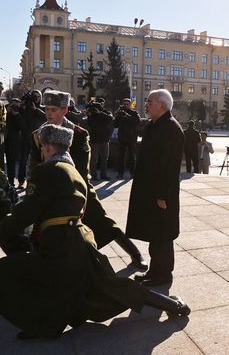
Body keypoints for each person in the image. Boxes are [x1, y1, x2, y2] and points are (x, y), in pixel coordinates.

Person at [0, 123, 189, 340]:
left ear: (48, 146)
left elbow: (28, 210)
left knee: (3, 272)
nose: (42, 151)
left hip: (62, 246)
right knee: (110, 289)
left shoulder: (48, 170)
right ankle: (173, 304)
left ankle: (42, 326)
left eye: (42, 147)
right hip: (78, 242)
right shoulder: (73, 171)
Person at [28, 91, 146, 270]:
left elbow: (81, 171)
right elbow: (33, 167)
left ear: (65, 110)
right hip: (49, 190)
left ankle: (135, 253)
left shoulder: (78, 134)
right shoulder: (38, 135)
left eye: (54, 109)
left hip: (78, 188)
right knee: (41, 228)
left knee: (103, 221)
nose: (49, 113)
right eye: (46, 109)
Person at [126, 89, 185, 287]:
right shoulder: (154, 125)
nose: (146, 105)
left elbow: (170, 166)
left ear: (162, 105)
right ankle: (154, 271)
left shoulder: (171, 128)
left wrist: (163, 195)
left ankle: (163, 275)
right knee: (155, 234)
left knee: (163, 237)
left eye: (149, 101)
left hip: (162, 194)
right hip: (150, 191)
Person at [17, 90, 47, 188]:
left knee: (38, 162)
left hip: (38, 139)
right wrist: (22, 106)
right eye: (34, 96)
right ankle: (21, 181)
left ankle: (35, 182)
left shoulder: (42, 108)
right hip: (25, 138)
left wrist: (35, 109)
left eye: (38, 97)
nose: (36, 98)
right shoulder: (25, 108)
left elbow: (45, 118)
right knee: (23, 161)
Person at [114, 98, 141, 179]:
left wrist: (127, 116)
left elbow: (138, 121)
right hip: (122, 137)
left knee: (132, 156)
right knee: (120, 156)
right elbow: (115, 124)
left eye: (127, 104)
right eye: (124, 104)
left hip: (131, 137)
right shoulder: (120, 113)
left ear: (130, 105)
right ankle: (120, 173)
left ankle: (133, 173)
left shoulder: (134, 113)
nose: (126, 106)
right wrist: (117, 116)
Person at [87, 100, 113, 180]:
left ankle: (103, 175)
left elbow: (110, 118)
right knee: (93, 159)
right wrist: (89, 113)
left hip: (104, 139)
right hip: (94, 139)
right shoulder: (91, 115)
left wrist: (100, 113)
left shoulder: (105, 112)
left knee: (104, 158)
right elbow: (89, 123)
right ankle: (93, 175)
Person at [4, 99, 23, 187]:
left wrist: (17, 115)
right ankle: (8, 182)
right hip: (7, 141)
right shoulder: (6, 111)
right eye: (13, 105)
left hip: (17, 141)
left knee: (16, 163)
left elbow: (21, 126)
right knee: (8, 162)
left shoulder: (21, 112)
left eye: (17, 105)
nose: (15, 107)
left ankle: (16, 181)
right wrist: (7, 112)